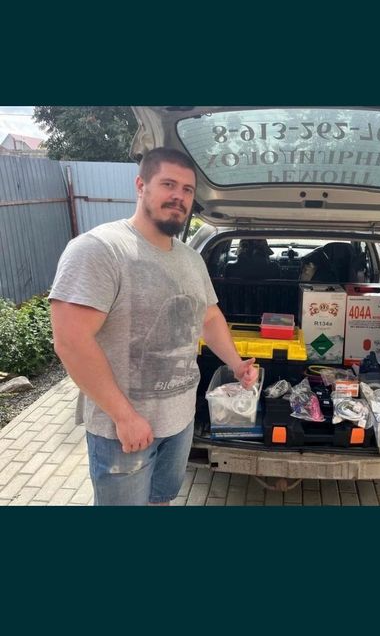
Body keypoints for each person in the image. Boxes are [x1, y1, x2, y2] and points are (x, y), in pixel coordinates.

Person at [49, 147, 258, 506]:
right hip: (123, 431)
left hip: (180, 421)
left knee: (161, 501)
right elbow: (70, 340)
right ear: (140, 185)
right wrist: (124, 417)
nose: (179, 196)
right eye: (168, 184)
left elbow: (209, 318)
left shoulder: (191, 259)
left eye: (187, 189)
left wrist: (236, 365)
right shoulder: (100, 249)